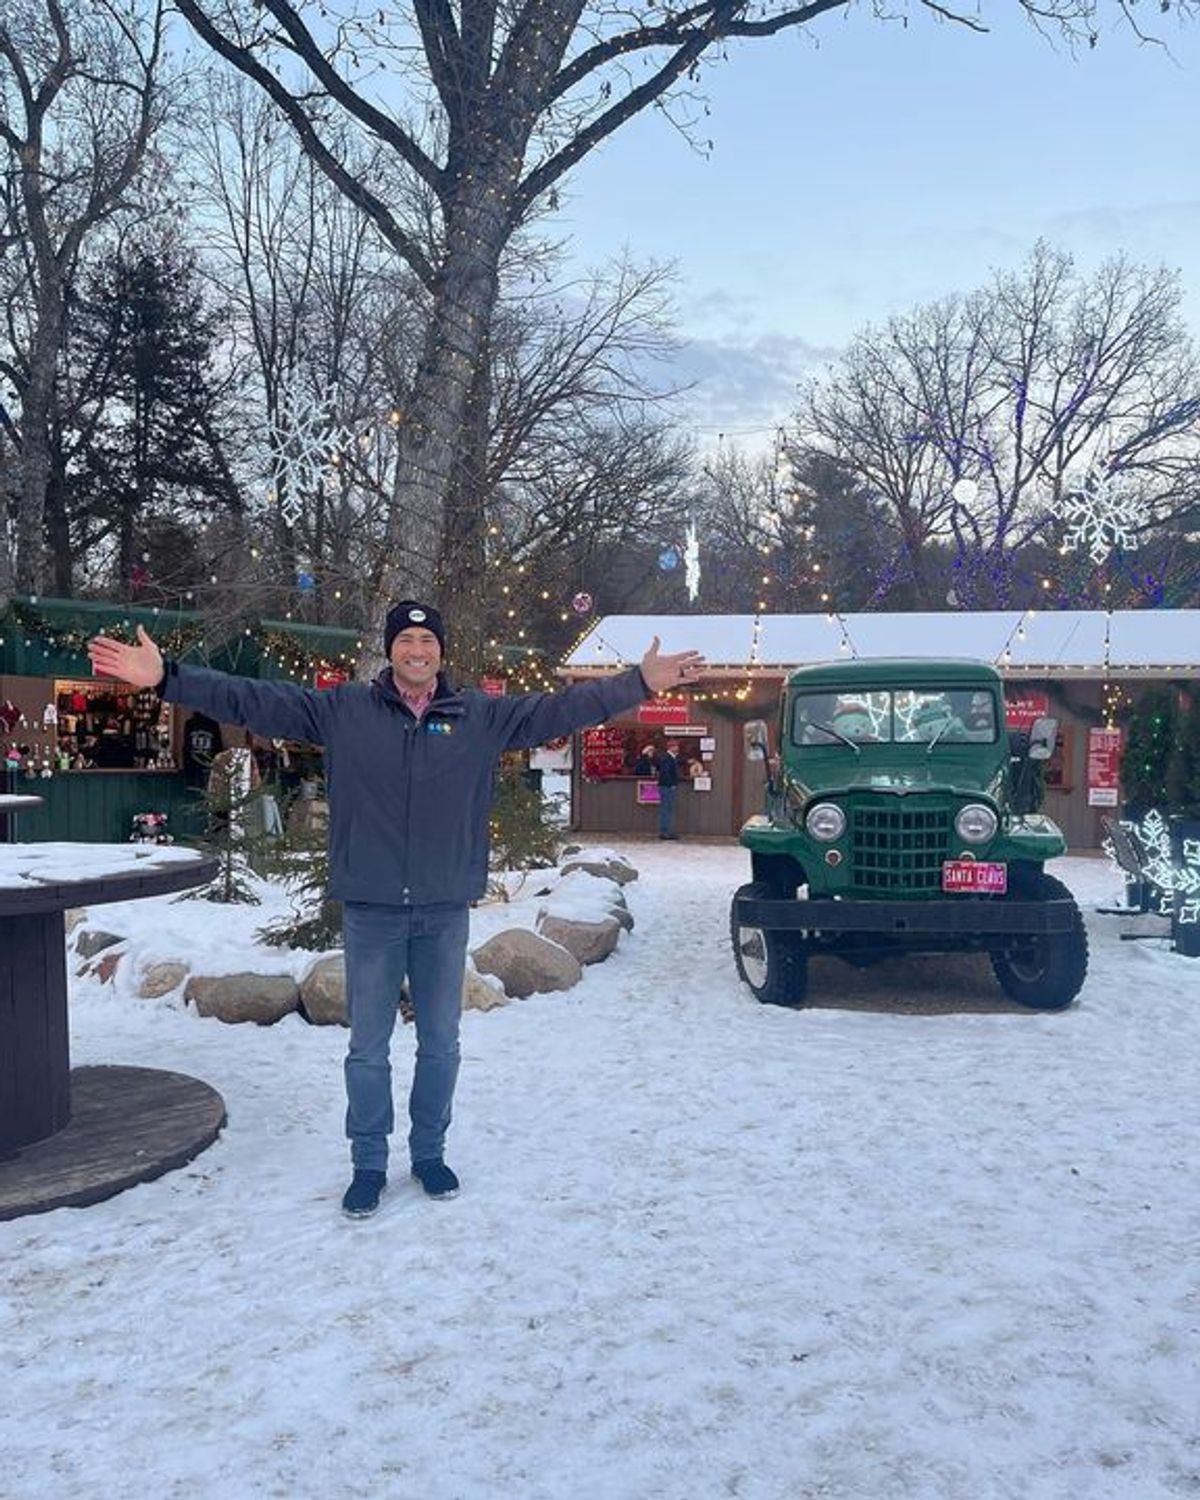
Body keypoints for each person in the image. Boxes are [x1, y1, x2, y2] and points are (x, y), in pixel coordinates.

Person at [87, 604, 705, 1220]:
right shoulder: (345, 710)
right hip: (373, 907)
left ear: (441, 651)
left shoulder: (479, 716)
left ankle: (430, 1155)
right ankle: (369, 1163)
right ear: (390, 650)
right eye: (405, 639)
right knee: (368, 1049)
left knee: (441, 1044)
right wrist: (167, 678)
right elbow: (253, 700)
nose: (417, 649)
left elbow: (562, 709)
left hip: (443, 907)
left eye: (427, 640)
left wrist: (639, 682)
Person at [657, 739, 681, 839]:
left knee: (667, 809)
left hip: (666, 786)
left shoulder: (671, 758)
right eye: (675, 746)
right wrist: (671, 784)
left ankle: (667, 831)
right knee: (666, 810)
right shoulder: (667, 758)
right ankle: (665, 832)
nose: (677, 748)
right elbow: (665, 772)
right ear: (671, 747)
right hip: (667, 787)